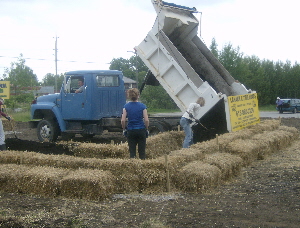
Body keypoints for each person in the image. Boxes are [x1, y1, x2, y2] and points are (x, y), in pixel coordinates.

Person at [121, 88, 149, 159]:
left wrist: (124, 129)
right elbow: (146, 120)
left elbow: (123, 120)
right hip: (141, 130)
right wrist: (146, 128)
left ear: (129, 96)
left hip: (131, 130)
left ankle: (133, 167)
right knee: (142, 152)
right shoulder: (143, 106)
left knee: (132, 152)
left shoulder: (126, 107)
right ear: (138, 96)